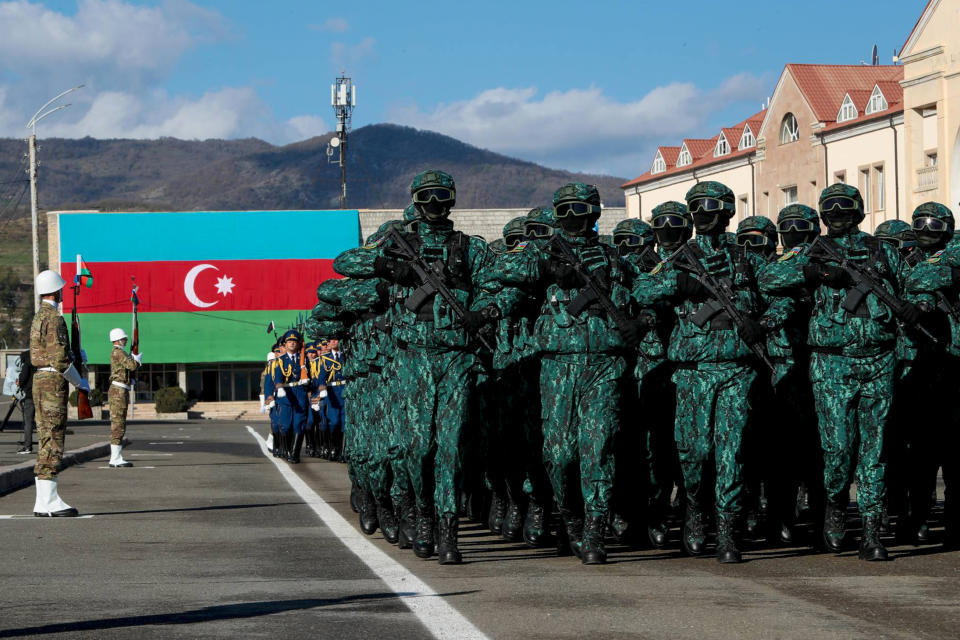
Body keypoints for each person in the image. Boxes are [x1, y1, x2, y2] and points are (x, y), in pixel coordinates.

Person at [333, 169, 495, 565]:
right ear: (416, 201)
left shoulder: (469, 247)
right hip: (411, 356)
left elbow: (495, 285)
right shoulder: (396, 242)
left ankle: (446, 529)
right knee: (416, 447)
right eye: (428, 197)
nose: (436, 204)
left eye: (442, 196)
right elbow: (344, 263)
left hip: (456, 355)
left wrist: (485, 311)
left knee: (452, 447)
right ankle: (421, 514)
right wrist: (390, 267)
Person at [759, 184, 920, 561]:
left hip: (878, 359)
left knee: (874, 449)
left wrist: (918, 307)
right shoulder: (811, 251)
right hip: (831, 362)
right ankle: (833, 505)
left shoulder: (883, 252)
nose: (838, 216)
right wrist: (813, 272)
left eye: (845, 209)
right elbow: (767, 279)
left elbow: (914, 286)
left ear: (859, 212)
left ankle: (870, 530)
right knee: (838, 449)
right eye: (830, 210)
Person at [633, 182, 787, 563]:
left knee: (731, 452)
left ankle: (728, 530)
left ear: (727, 212)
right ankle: (696, 511)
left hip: (737, 369)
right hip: (692, 370)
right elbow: (641, 288)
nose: (702, 215)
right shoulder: (679, 257)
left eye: (709, 208)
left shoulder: (745, 257)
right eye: (696, 208)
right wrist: (678, 282)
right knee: (696, 452)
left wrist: (763, 324)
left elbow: (784, 292)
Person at [492, 183, 639, 565]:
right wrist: (545, 267)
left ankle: (594, 529)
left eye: (582, 209)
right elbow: (499, 267)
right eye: (568, 209)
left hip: (606, 362)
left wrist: (644, 320)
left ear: (594, 213)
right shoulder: (542, 250)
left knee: (599, 448)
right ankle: (570, 516)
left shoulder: (613, 256)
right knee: (559, 455)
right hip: (558, 363)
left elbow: (649, 288)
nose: (575, 217)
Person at [901, 202, 959, 548]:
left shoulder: (955, 250)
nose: (925, 230)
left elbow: (920, 278)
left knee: (954, 453)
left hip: (955, 363)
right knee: (920, 452)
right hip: (921, 365)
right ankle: (916, 519)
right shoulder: (908, 258)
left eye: (933, 225)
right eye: (920, 223)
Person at [30, 269, 88, 517]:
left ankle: (43, 501)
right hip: (53, 381)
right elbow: (60, 359)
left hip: (41, 380)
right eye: (61, 288)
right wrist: (80, 382)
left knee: (45, 437)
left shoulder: (37, 317)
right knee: (53, 438)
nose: (64, 291)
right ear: (55, 290)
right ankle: (50, 500)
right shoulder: (54, 318)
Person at [267, 330, 310, 463]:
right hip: (285, 395)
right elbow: (275, 377)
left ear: (298, 344)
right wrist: (273, 394)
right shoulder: (278, 361)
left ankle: (294, 453)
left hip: (300, 395)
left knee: (299, 425)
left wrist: (309, 385)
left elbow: (312, 377)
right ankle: (286, 449)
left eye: (294, 341)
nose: (292, 343)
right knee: (285, 425)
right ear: (285, 345)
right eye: (289, 341)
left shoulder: (304, 360)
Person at [106, 328, 141, 468]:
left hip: (121, 389)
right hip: (118, 391)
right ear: (118, 339)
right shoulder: (118, 352)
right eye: (124, 338)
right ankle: (115, 458)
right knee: (118, 424)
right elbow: (131, 366)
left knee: (120, 423)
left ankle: (116, 456)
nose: (126, 340)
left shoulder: (118, 352)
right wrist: (137, 360)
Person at [16, 350, 35, 455]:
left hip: (29, 396)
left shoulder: (26, 364)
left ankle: (27, 446)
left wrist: (19, 382)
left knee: (28, 422)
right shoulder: (39, 364)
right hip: (41, 395)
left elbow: (22, 378)